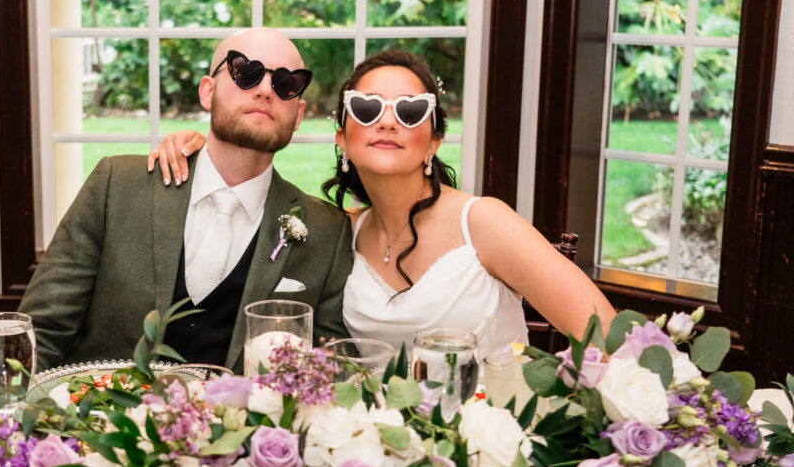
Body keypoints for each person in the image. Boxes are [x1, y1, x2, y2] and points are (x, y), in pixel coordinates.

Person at [149, 50, 614, 359]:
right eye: (368, 109)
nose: (387, 122)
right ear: (342, 139)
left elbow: (608, 338)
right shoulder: (338, 232)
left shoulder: (485, 222)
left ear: (434, 140)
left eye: (410, 110)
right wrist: (192, 144)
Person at [19, 28, 353, 374]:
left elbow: (329, 370)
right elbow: (39, 336)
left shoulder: (327, 231)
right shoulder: (116, 186)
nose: (266, 90)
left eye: (286, 84)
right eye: (246, 72)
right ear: (207, 92)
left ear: (298, 116)